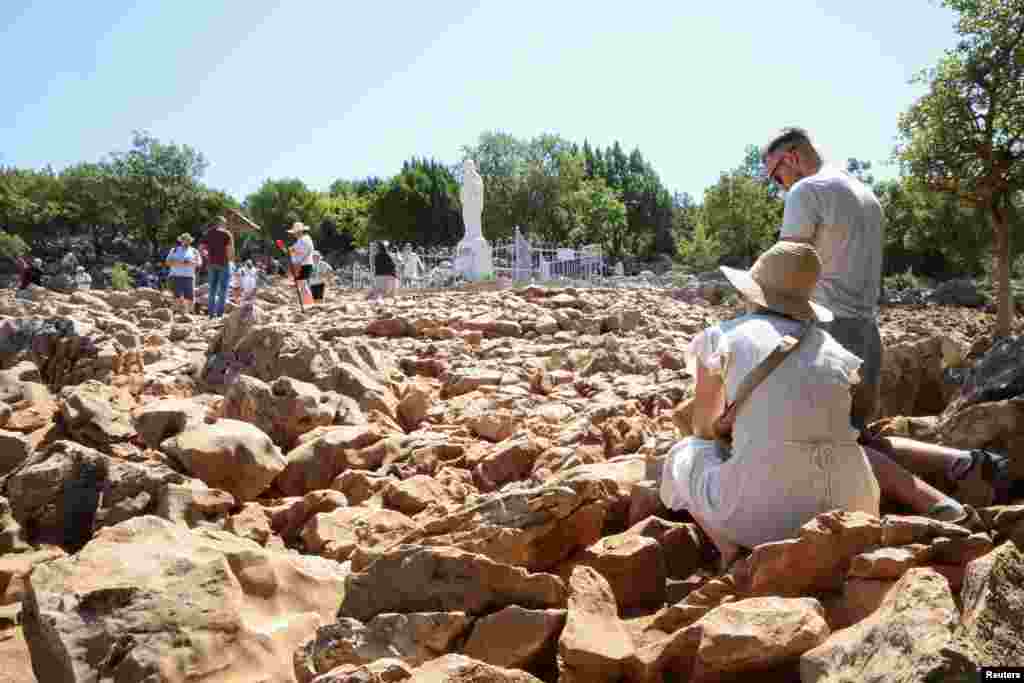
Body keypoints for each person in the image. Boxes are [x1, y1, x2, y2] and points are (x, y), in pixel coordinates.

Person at [761, 126, 1011, 511]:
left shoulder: (806, 191)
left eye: (776, 174)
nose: (779, 185)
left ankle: (942, 508)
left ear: (791, 157)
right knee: (858, 439)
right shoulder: (867, 195)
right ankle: (965, 463)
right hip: (867, 334)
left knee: (827, 446)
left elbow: (786, 269)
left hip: (826, 335)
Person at [660, 242, 881, 567]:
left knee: (682, 455)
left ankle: (730, 550)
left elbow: (704, 430)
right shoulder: (833, 349)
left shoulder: (722, 337)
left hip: (768, 517)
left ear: (752, 293)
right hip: (855, 506)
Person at [204, 216, 235, 318]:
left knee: (212, 289)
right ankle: (219, 313)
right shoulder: (227, 234)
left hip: (211, 264)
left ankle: (211, 313)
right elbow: (229, 249)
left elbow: (201, 248)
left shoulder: (208, 233)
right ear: (222, 223)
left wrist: (208, 256)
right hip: (223, 264)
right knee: (223, 289)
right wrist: (231, 261)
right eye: (225, 223)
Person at [165, 233, 199, 316]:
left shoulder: (194, 251)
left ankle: (188, 314)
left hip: (189, 277)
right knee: (177, 296)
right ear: (181, 241)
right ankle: (175, 314)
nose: (186, 241)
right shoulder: (174, 250)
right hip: (176, 276)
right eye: (184, 240)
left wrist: (189, 263)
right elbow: (167, 262)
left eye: (188, 240)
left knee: (190, 297)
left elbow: (199, 263)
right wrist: (180, 263)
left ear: (190, 241)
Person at [287, 222, 315, 301]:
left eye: (295, 233)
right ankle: (306, 302)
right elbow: (293, 251)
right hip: (301, 265)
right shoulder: (300, 241)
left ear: (299, 232)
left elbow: (309, 251)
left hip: (304, 265)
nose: (294, 234)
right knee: (301, 285)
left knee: (303, 285)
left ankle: (309, 302)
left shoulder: (305, 239)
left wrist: (300, 261)